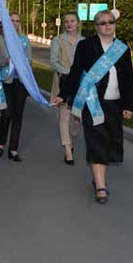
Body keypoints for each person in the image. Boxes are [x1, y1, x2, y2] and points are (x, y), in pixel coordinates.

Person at [52, 10, 133, 204]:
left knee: (109, 142)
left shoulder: (122, 48)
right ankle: (101, 186)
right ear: (96, 27)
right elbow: (74, 73)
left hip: (114, 102)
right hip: (93, 102)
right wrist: (63, 94)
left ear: (115, 24)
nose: (108, 26)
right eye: (103, 23)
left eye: (111, 22)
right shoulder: (86, 46)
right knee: (96, 141)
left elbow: (128, 78)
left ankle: (99, 176)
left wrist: (128, 105)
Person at [0, 12, 32, 162]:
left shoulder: (24, 40)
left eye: (17, 21)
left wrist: (23, 62)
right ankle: (0, 144)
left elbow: (30, 60)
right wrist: (5, 61)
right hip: (5, 81)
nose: (14, 23)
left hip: (20, 83)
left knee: (18, 116)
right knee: (6, 114)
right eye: (11, 20)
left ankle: (13, 149)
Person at [49, 12, 85, 165]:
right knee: (64, 117)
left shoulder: (84, 41)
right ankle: (68, 150)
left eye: (72, 21)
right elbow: (53, 61)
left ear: (78, 23)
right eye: (66, 21)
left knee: (77, 119)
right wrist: (68, 72)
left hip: (81, 84)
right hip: (63, 82)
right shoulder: (58, 40)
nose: (69, 24)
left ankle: (70, 137)